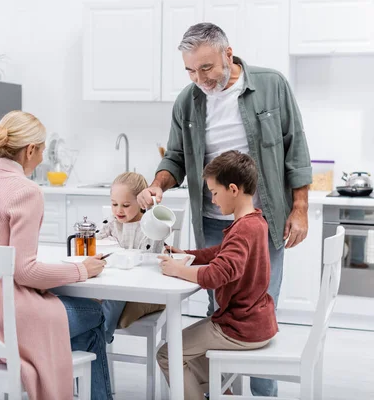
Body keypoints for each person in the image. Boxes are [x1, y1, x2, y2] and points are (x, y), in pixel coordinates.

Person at [137, 22, 312, 397]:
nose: (198, 78)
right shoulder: (188, 100)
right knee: (218, 314)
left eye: (206, 68)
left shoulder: (271, 84)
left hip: (264, 222)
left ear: (228, 55)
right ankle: (223, 390)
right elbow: (175, 157)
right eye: (189, 70)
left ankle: (264, 393)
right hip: (213, 221)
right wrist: (156, 184)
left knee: (261, 309)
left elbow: (295, 147)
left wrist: (300, 208)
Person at [0, 110, 112, 400]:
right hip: (4, 325)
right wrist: (83, 270)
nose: (42, 158)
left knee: (81, 325)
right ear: (29, 150)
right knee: (96, 313)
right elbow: (25, 272)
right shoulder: (25, 191)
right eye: (41, 150)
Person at [156, 150, 278, 399]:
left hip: (239, 327)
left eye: (214, 192)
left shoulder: (243, 229)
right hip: (255, 322)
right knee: (189, 353)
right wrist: (186, 254)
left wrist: (178, 269)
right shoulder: (254, 222)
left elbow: (216, 275)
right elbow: (220, 252)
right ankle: (225, 394)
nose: (212, 200)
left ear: (233, 189)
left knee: (168, 354)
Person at [96, 171, 165, 343]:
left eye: (126, 205)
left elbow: (150, 259)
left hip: (139, 285)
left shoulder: (149, 226)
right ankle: (90, 335)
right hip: (113, 280)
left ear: (141, 204)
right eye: (114, 204)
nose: (118, 210)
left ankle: (100, 337)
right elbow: (95, 242)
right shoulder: (111, 222)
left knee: (114, 295)